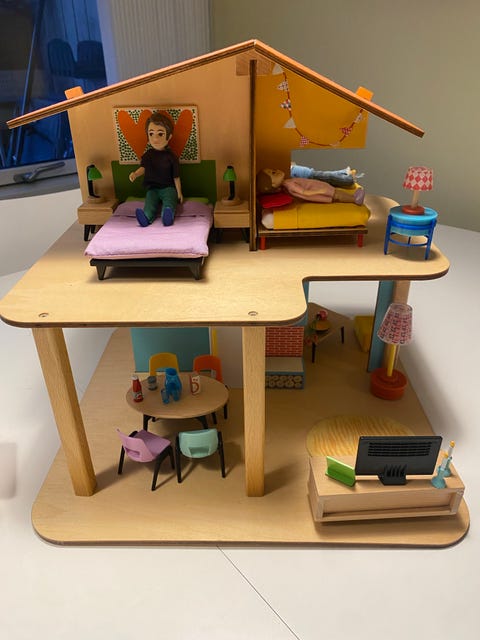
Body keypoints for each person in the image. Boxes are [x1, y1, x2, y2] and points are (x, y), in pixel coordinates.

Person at [129, 113, 183, 226]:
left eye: (160, 134)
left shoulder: (171, 157)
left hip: (168, 188)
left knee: (169, 201)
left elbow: (176, 177)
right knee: (150, 203)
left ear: (169, 136)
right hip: (153, 188)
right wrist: (135, 174)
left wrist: (179, 193)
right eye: (151, 134)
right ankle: (146, 217)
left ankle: (167, 216)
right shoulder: (148, 155)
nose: (155, 138)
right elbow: (143, 168)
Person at [256, 168, 365, 205]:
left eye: (274, 170)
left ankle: (353, 197)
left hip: (316, 187)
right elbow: (304, 192)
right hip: (316, 189)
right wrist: (320, 191)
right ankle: (355, 199)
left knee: (336, 194)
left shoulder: (287, 184)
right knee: (336, 195)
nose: (277, 170)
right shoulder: (289, 184)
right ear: (273, 184)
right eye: (273, 173)